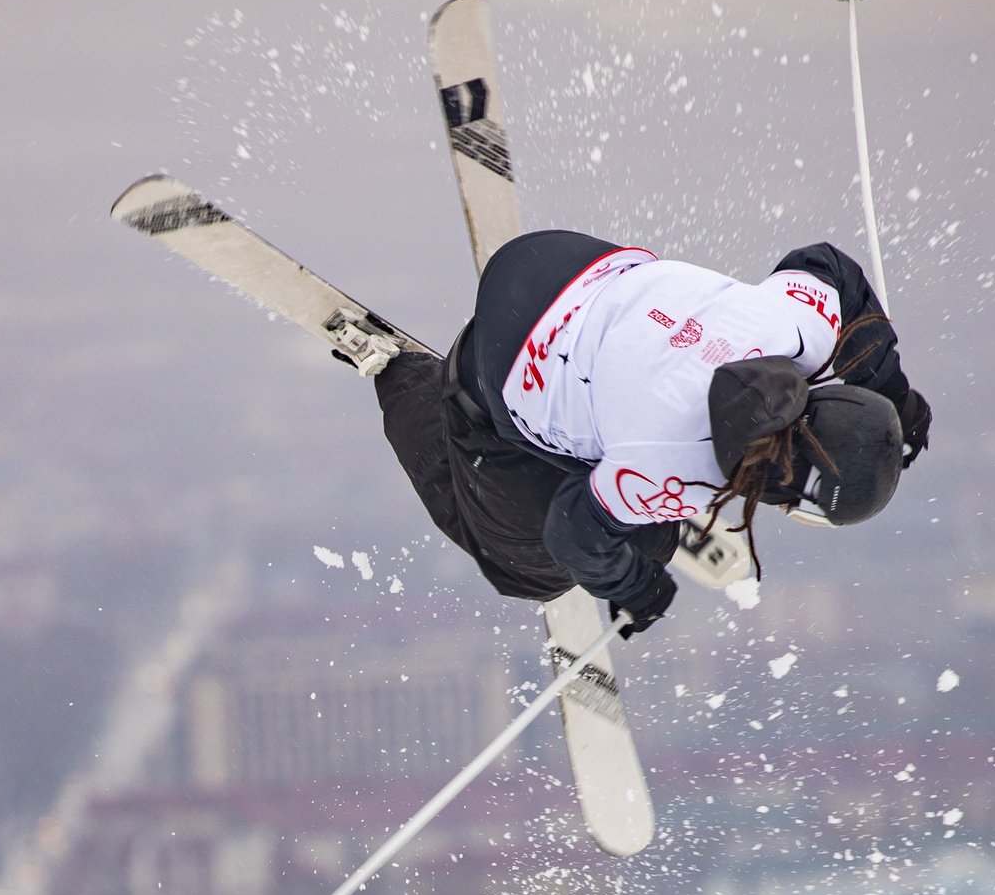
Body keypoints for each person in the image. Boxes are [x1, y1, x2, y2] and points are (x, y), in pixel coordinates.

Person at [372, 230, 930, 635]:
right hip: (498, 363)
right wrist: (639, 589)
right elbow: (573, 534)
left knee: (623, 485)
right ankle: (408, 383)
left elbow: (832, 267)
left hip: (561, 262)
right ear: (791, 496)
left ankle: (637, 517)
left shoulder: (800, 329)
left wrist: (895, 400)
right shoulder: (671, 470)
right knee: (531, 567)